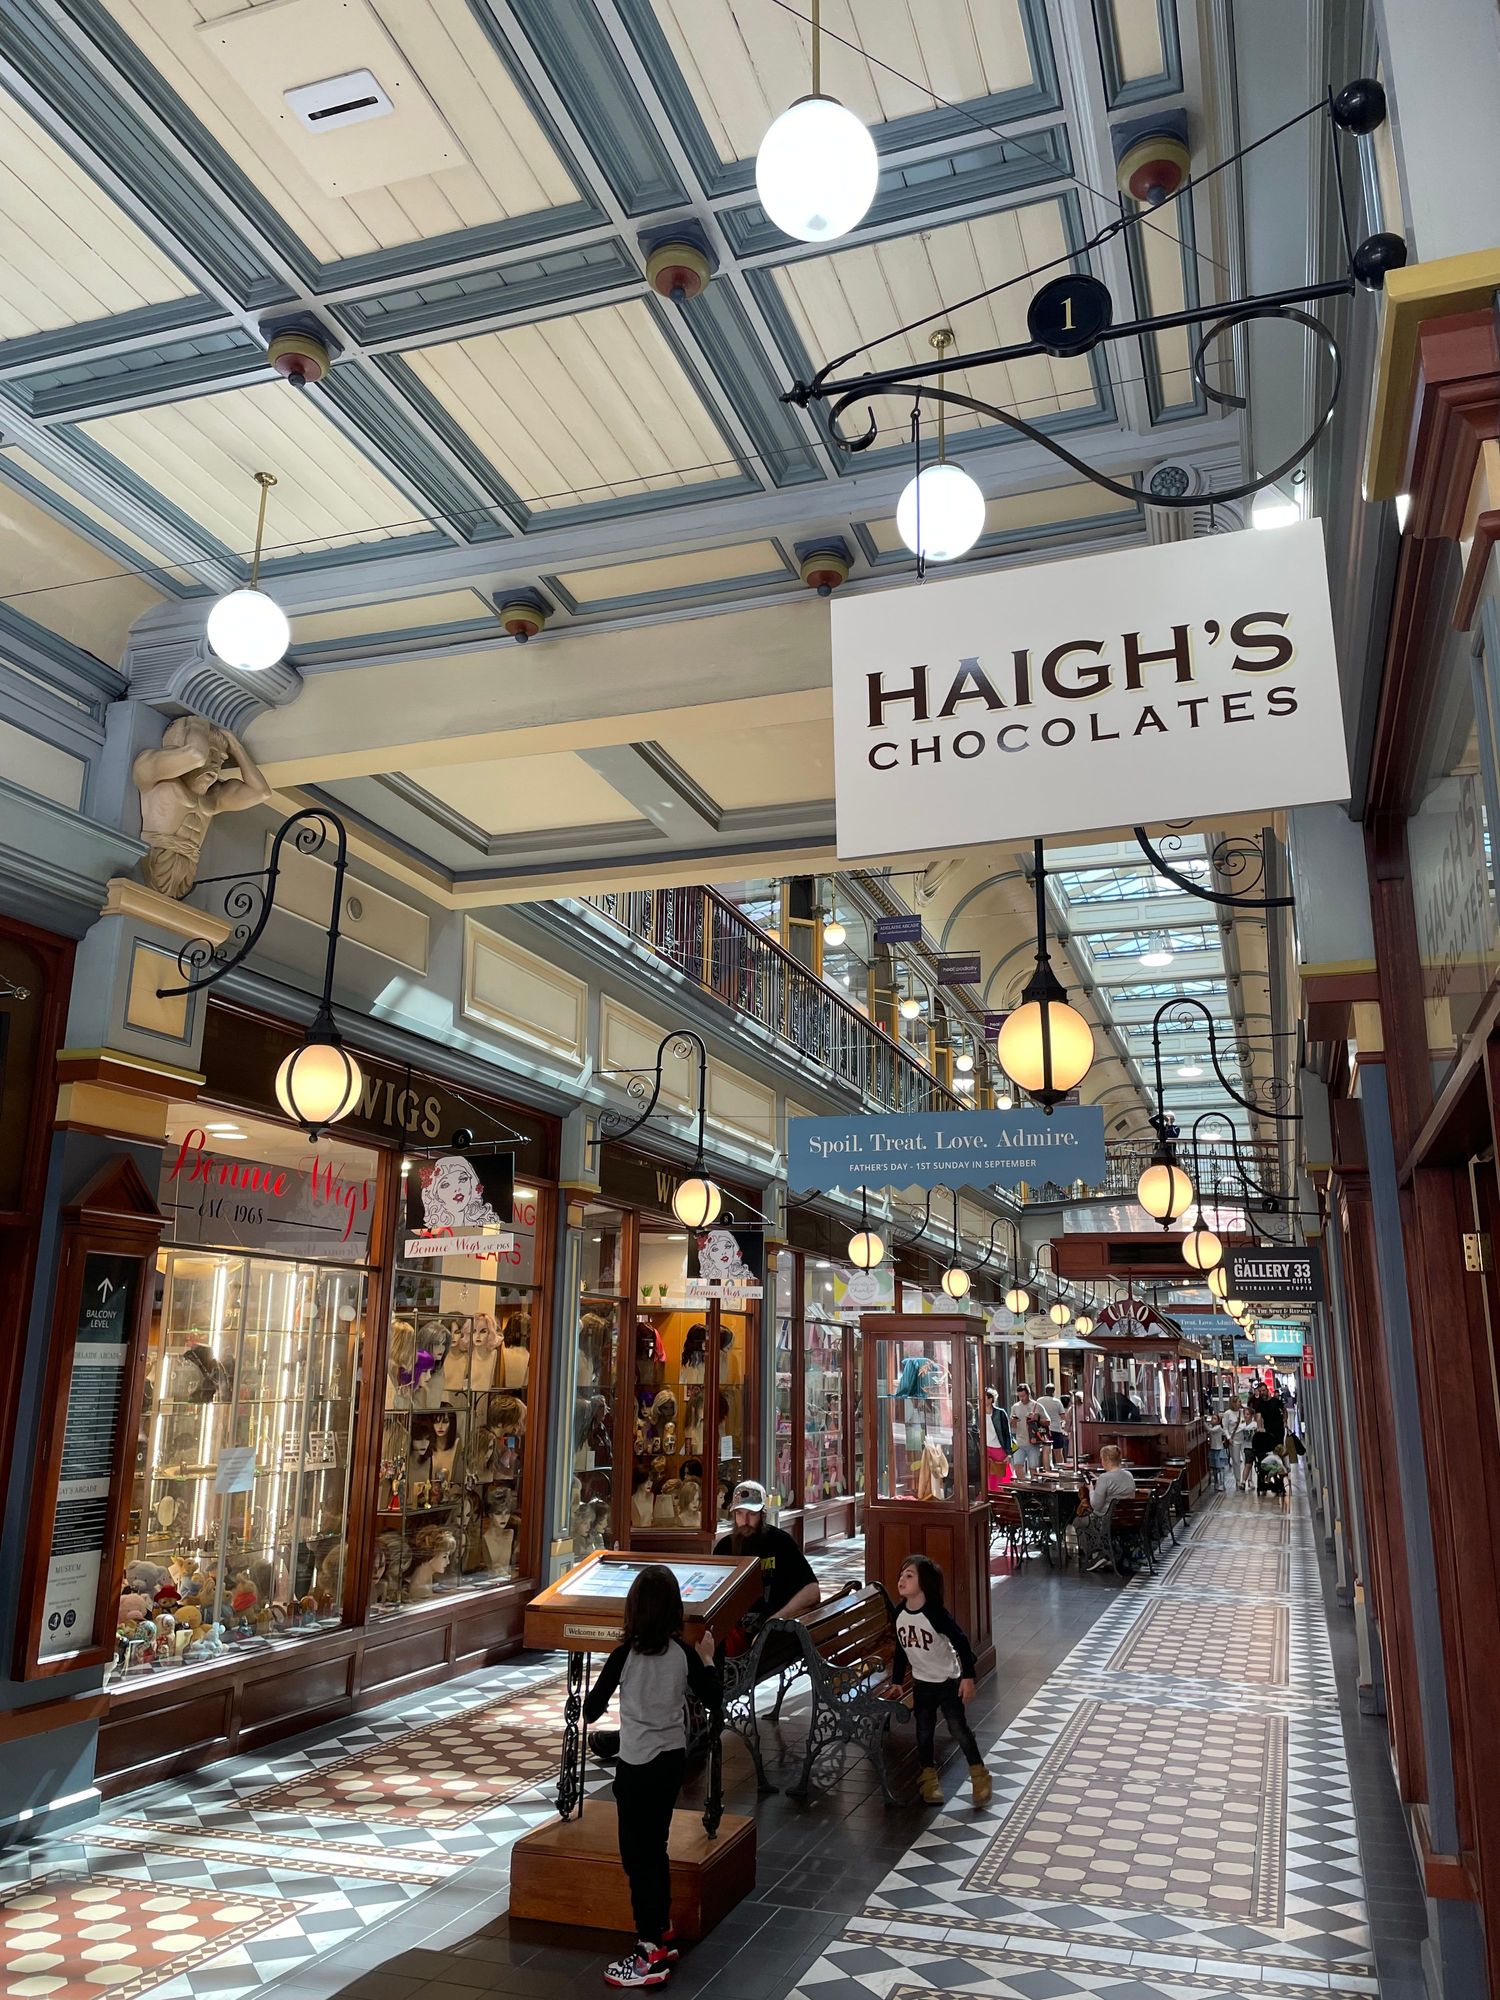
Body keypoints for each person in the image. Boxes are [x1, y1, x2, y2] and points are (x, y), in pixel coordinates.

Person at [583, 1566, 720, 1988]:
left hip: (637, 1766)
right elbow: (713, 1697)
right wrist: (708, 1658)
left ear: (634, 1610)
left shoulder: (624, 1656)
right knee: (655, 1847)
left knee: (636, 1857)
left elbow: (591, 1710)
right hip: (671, 1762)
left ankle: (647, 1954)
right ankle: (661, 1929)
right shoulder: (682, 1654)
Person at [878, 1554, 989, 1806]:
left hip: (947, 1681)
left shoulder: (936, 1614)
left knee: (957, 1728)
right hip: (922, 1683)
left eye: (909, 1575)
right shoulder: (900, 1614)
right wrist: (897, 1681)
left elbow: (961, 1642)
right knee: (924, 1731)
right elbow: (901, 1648)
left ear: (924, 1583)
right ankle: (928, 1779)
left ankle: (979, 1774)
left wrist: (968, 1677)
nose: (902, 1579)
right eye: (901, 1574)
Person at [711, 1479, 819, 1647]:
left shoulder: (780, 1542)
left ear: (763, 1514)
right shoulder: (724, 1547)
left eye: (752, 1514)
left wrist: (774, 1622)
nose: (745, 1520)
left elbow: (812, 1591)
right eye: (740, 1513)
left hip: (775, 1633)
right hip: (735, 1634)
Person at [1073, 1444, 1136, 1572]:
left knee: (1078, 1521)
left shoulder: (1104, 1478)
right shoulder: (1128, 1475)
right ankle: (1104, 1552)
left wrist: (1092, 1489)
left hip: (1105, 1521)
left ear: (1107, 1460)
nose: (1101, 1462)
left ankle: (1097, 1554)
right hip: (1127, 1519)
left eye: (1102, 1459)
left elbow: (1096, 1505)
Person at [1009, 1385, 1040, 1476]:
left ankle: (1034, 1484)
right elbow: (1012, 1426)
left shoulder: (1036, 1405)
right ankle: (1023, 1484)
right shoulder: (1015, 1407)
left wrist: (1036, 1418)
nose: (1021, 1398)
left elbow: (1047, 1421)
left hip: (1033, 1442)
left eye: (1023, 1396)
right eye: (1019, 1396)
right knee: (1017, 1467)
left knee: (1033, 1469)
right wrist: (1013, 1421)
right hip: (1019, 1442)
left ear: (1028, 1394)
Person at [1036, 1382, 1066, 1468]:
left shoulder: (1039, 1400)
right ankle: (1061, 1468)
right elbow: (1063, 1416)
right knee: (1058, 1452)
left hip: (1043, 1429)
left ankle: (1047, 1469)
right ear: (1053, 1391)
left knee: (1046, 1451)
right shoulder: (1057, 1402)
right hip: (1056, 1429)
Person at [1207, 1412, 1228, 1491]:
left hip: (1219, 1449)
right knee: (1214, 1468)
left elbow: (1210, 1430)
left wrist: (1203, 1423)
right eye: (1212, 1418)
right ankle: (1216, 1483)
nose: (1212, 1420)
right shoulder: (1213, 1427)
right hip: (1213, 1449)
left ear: (1219, 1421)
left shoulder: (1218, 1427)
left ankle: (1222, 1483)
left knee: (1220, 1467)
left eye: (1215, 1419)